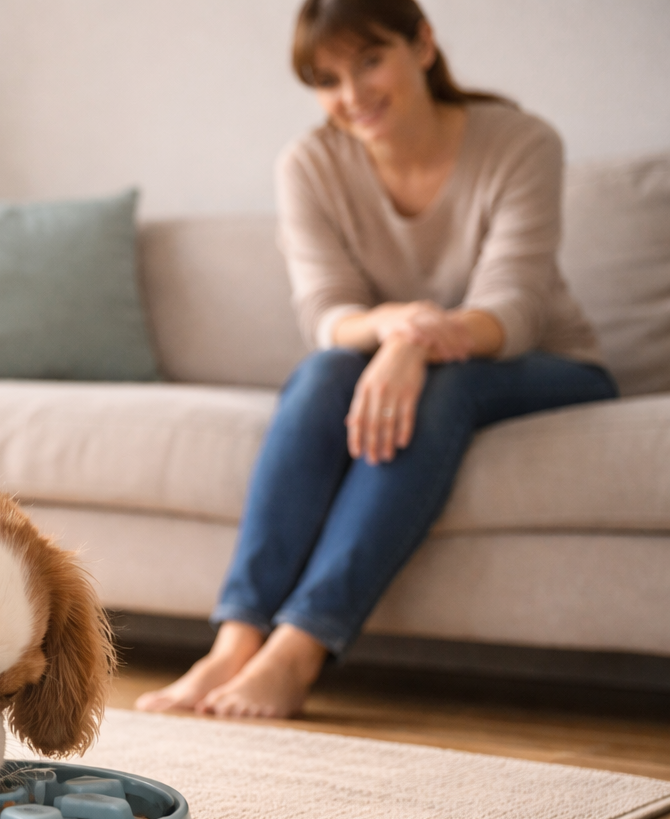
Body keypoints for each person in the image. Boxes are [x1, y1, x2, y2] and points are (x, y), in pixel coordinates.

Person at [137, 0, 617, 719]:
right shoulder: (310, 163)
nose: (352, 95)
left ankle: (298, 651)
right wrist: (397, 334)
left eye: (369, 60)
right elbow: (327, 315)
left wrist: (407, 346)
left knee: (442, 390)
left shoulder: (521, 142)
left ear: (422, 43)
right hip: (406, 357)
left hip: (549, 367)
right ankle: (236, 643)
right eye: (327, 78)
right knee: (324, 372)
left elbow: (513, 312)